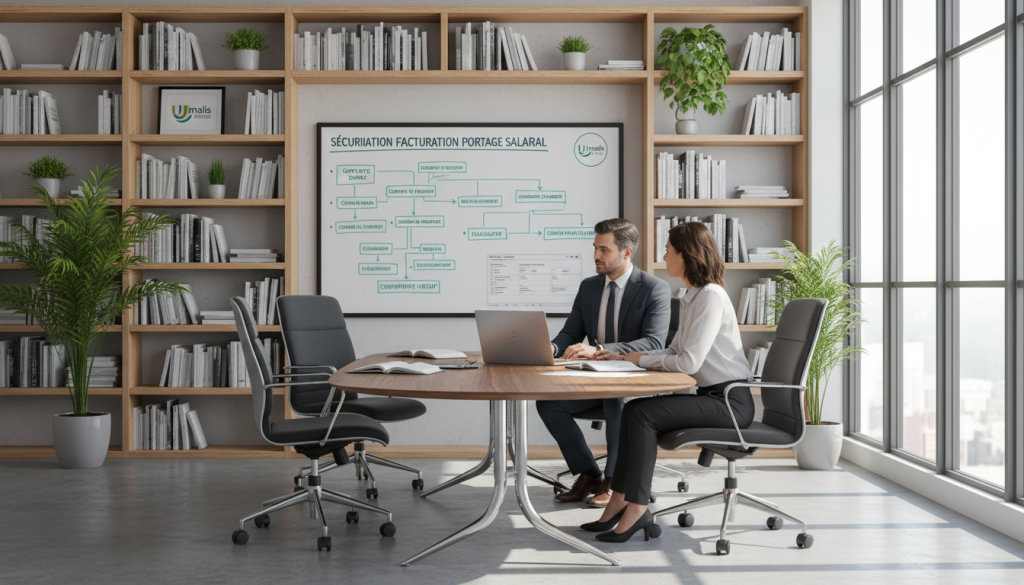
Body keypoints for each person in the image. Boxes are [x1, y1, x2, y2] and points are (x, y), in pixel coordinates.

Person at [583, 221, 753, 542]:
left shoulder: (711, 297)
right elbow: (675, 350)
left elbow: (689, 362)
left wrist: (641, 359)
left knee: (642, 413)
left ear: (686, 256)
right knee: (636, 410)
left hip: (730, 401)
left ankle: (635, 506)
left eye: (669, 250)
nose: (664, 255)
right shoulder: (691, 296)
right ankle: (621, 498)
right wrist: (626, 358)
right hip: (712, 396)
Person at [539, 218, 671, 506]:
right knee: (548, 403)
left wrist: (598, 350)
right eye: (595, 248)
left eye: (604, 249)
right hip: (593, 379)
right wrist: (551, 347)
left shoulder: (654, 289)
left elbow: (653, 343)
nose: (596, 256)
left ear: (626, 252)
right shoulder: (589, 287)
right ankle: (590, 474)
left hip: (633, 381)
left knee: (616, 402)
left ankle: (615, 482)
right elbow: (571, 332)